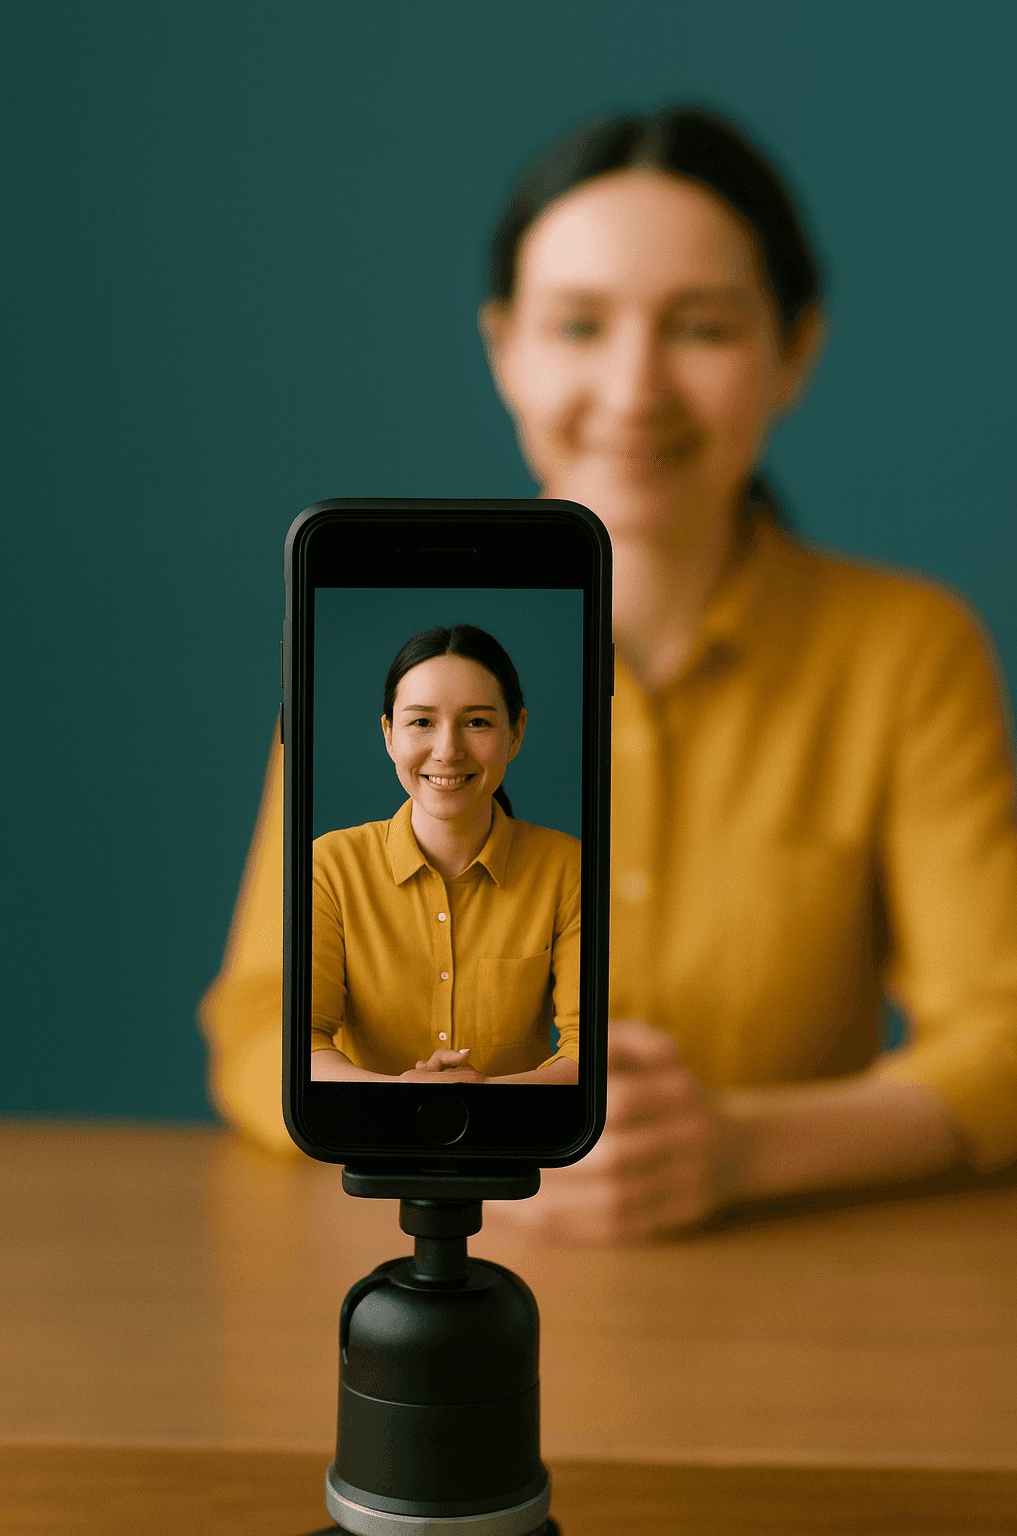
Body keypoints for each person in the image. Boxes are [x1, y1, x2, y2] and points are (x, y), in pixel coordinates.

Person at [200, 106, 1017, 1241]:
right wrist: (428, 1130)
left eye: (703, 328)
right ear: (504, 349)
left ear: (796, 347)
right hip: (433, 1261)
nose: (634, 390)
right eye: (579, 325)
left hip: (782, 1295)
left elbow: (1004, 1035)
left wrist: (736, 1150)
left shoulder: (907, 650)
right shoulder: (386, 639)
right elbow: (257, 1022)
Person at [309, 623, 580, 1083]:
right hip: (371, 1143)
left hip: (512, 1146)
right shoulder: (331, 866)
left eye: (477, 722)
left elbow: (589, 1051)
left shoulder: (566, 866)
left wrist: (483, 1096)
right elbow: (303, 1044)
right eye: (421, 722)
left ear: (516, 732)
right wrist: (401, 1094)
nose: (448, 750)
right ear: (389, 734)